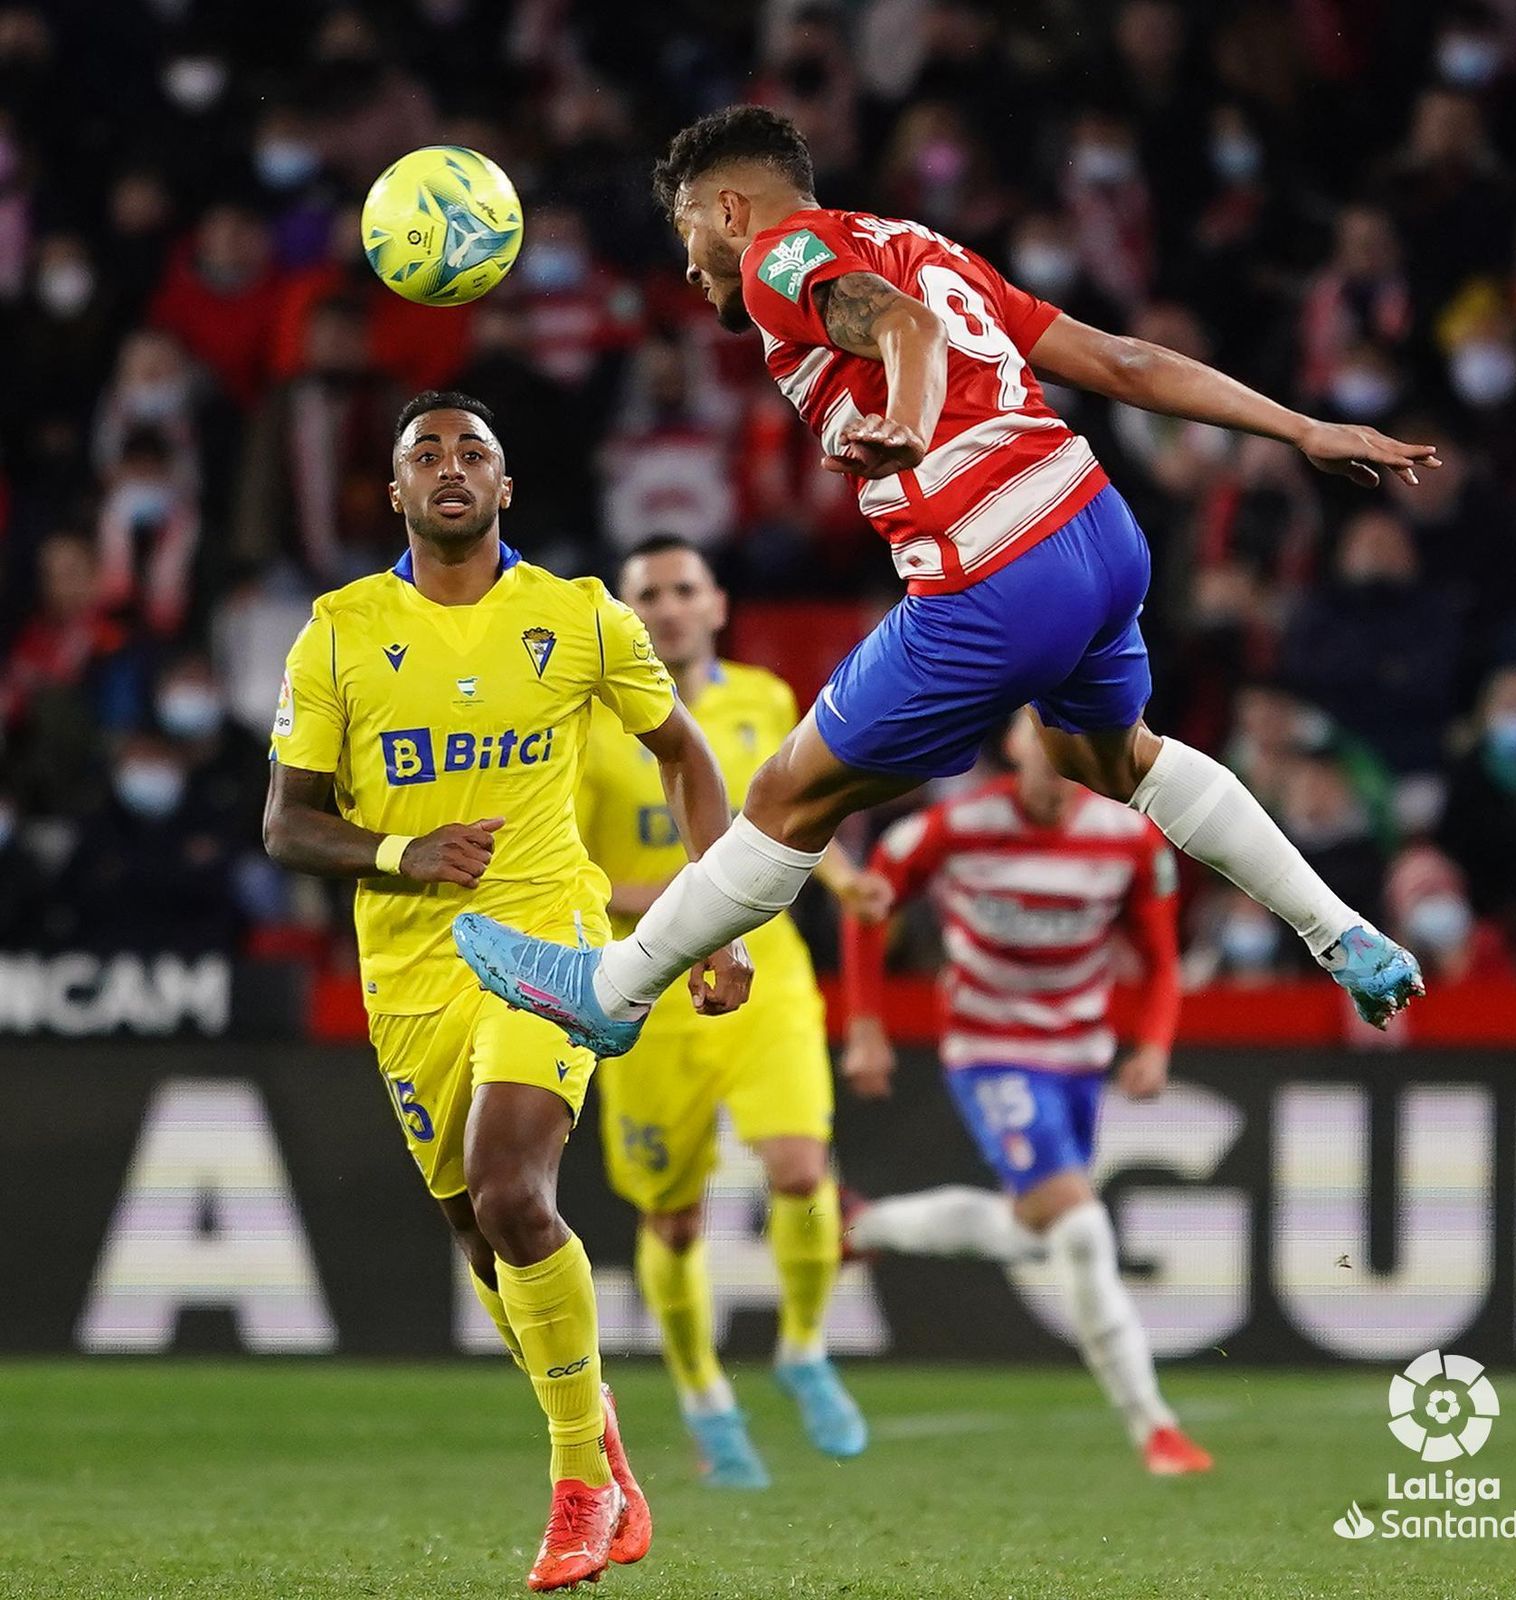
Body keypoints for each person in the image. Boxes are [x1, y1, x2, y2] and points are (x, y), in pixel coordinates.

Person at [454, 104, 1430, 1060]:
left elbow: (906, 330)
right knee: (1112, 759)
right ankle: (1340, 932)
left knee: (788, 795)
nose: (687, 263)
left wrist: (911, 425)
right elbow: (1120, 359)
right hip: (1096, 528)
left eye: (687, 231)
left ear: (730, 210)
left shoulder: (774, 259)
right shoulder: (925, 245)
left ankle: (611, 991)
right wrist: (1302, 428)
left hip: (995, 568)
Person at [262, 391, 752, 1589]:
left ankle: (578, 1485)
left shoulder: (579, 616)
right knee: (481, 1236)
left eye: (471, 451)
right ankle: (601, 1443)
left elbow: (685, 754)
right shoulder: (337, 632)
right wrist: (401, 852)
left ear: (504, 487)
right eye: (424, 453)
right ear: (393, 491)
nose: (449, 465)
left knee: (512, 1191)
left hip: (546, 935)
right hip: (409, 963)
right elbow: (287, 823)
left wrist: (717, 920)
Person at [578, 533, 886, 1486]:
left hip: (766, 969)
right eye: (649, 594)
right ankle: (706, 1396)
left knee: (801, 1169)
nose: (668, 608)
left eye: (684, 589)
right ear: (625, 617)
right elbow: (571, 873)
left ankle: (803, 1348)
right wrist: (688, 903)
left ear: (716, 605)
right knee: (672, 1221)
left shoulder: (763, 699)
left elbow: (796, 818)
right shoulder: (588, 724)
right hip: (648, 990)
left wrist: (842, 878)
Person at [838, 713, 1210, 1476]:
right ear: (1013, 746)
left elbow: (1161, 957)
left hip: (1079, 1058)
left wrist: (1153, 1043)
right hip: (991, 1052)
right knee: (1079, 1226)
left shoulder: (1130, 838)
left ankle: (864, 1225)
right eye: (1041, 740)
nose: (1056, 761)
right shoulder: (956, 827)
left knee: (1036, 1227)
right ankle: (1154, 1427)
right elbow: (869, 904)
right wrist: (867, 1026)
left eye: (1071, 745)